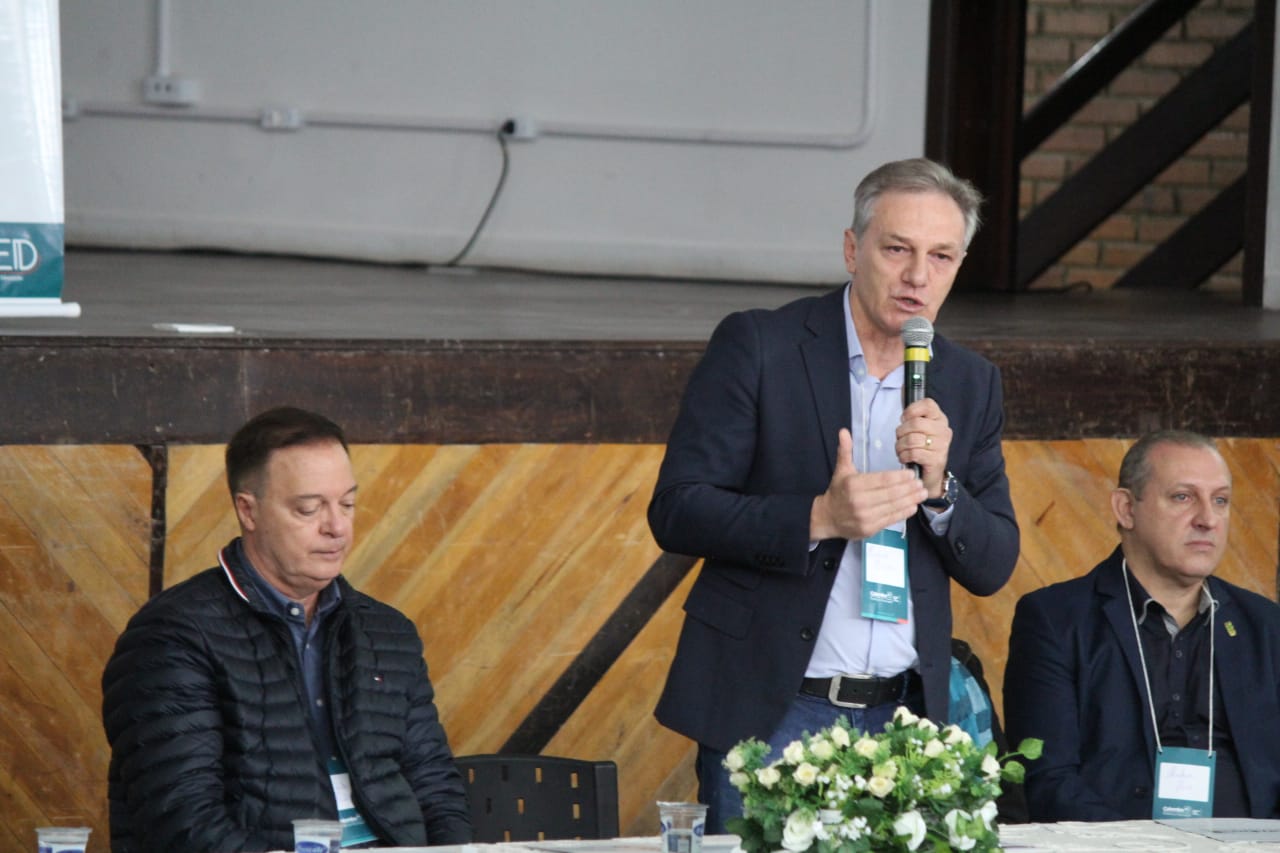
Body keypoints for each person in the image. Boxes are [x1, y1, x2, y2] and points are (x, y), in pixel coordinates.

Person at [648, 157, 1020, 831]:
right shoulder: (762, 345)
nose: (918, 276)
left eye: (941, 256)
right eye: (897, 249)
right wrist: (818, 516)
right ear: (852, 249)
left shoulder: (970, 382)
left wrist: (942, 489)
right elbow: (677, 508)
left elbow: (994, 563)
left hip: (905, 722)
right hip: (775, 710)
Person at [102, 406, 472, 851]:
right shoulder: (172, 636)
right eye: (308, 508)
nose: (337, 527)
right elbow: (183, 823)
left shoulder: (387, 633)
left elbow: (435, 787)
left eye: (348, 504)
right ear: (248, 511)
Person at [1004, 430, 1280, 821]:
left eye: (1220, 500)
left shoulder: (1266, 626)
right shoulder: (1055, 619)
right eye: (1183, 497)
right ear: (1126, 508)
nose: (1207, 519)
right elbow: (1049, 782)